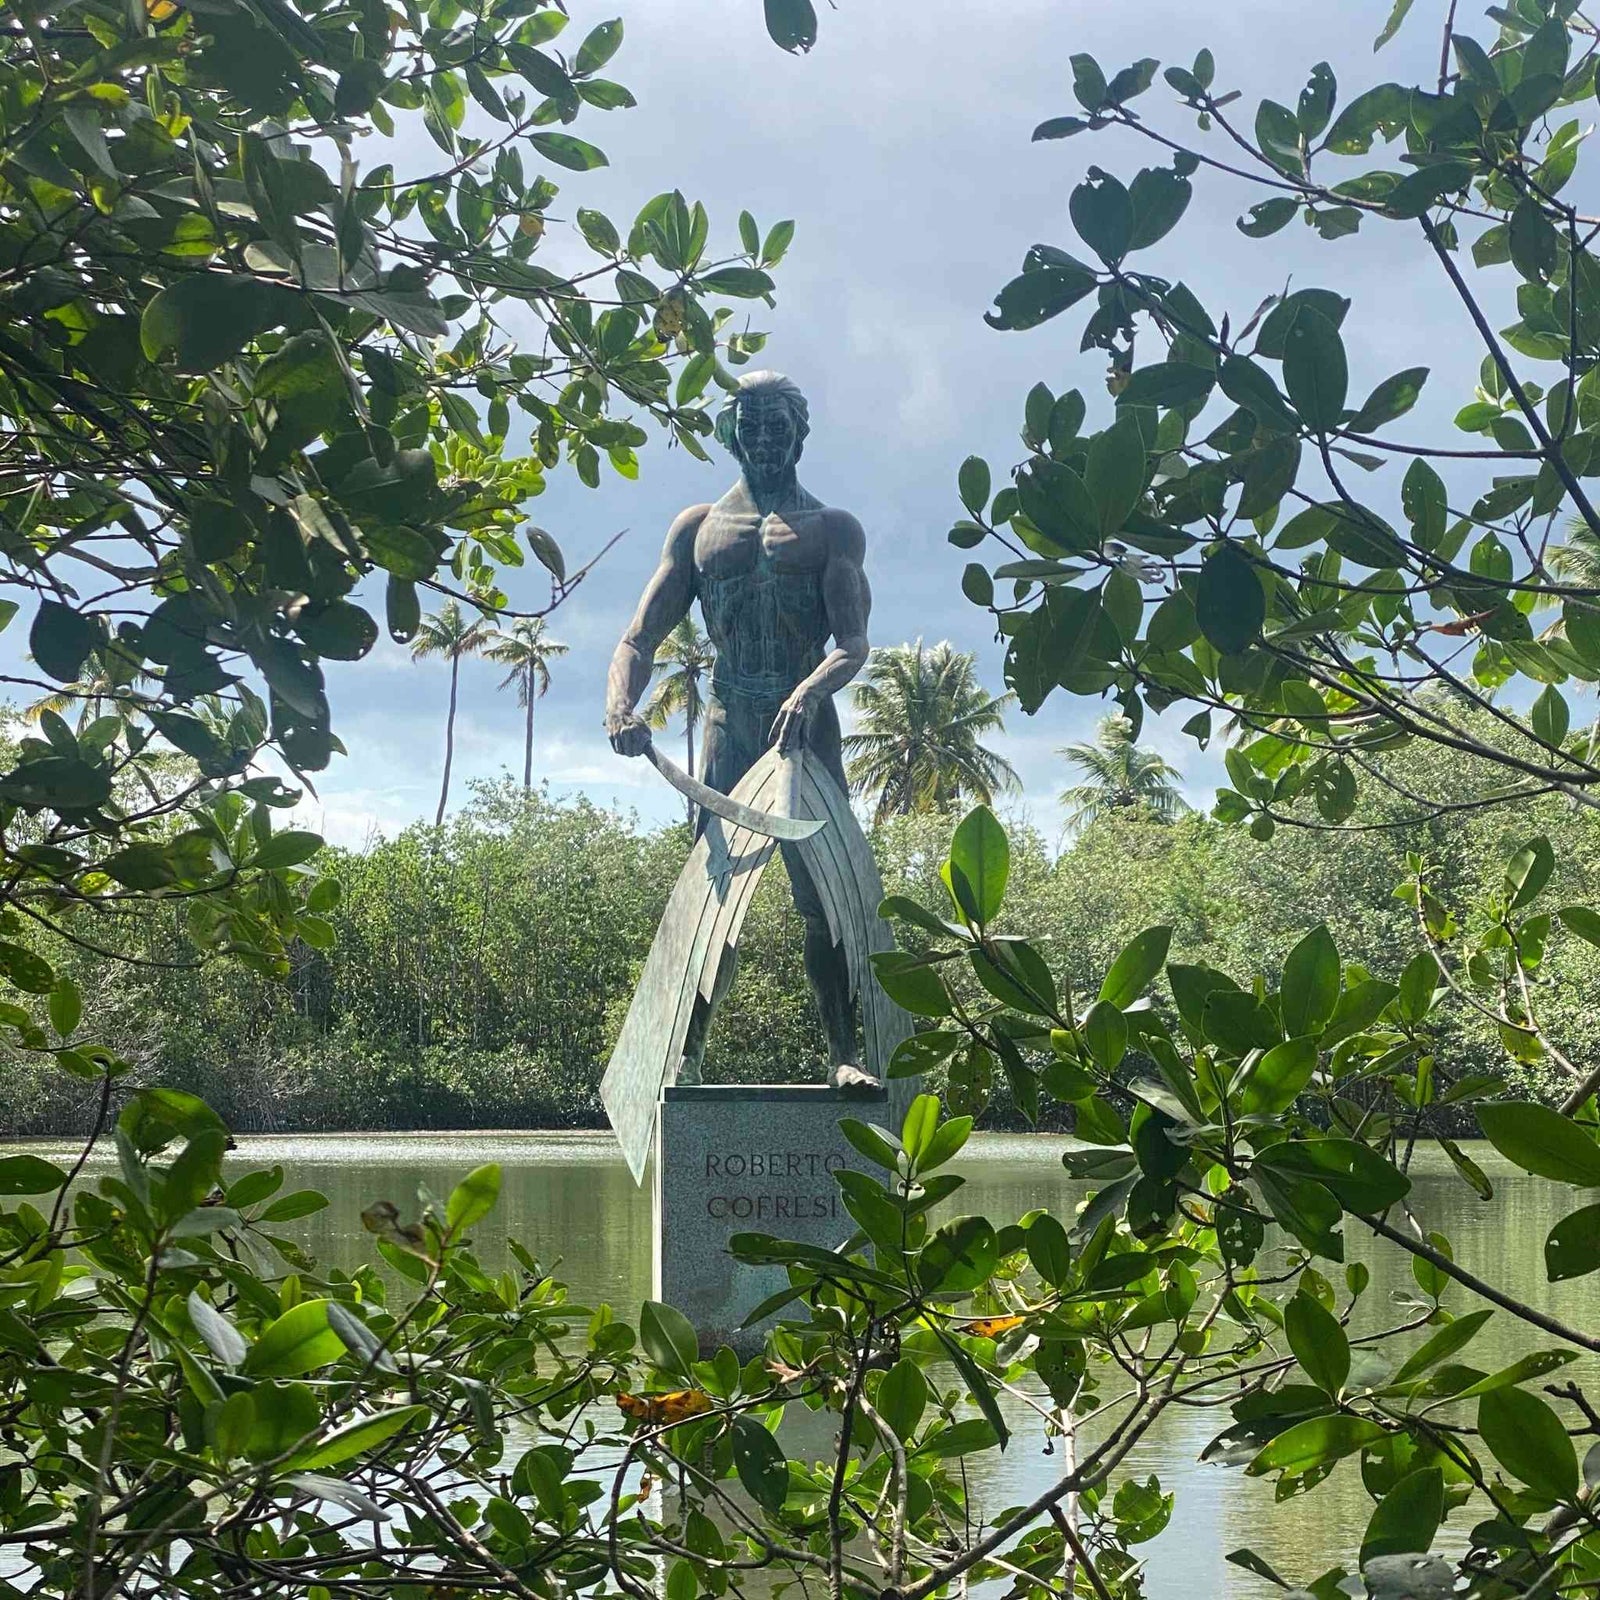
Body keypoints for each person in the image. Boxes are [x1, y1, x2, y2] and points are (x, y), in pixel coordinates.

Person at [603, 371, 877, 1088]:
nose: (762, 439)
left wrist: (810, 691)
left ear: (799, 434)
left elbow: (852, 643)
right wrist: (620, 709)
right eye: (748, 425)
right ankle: (686, 1055)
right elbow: (638, 638)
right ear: (730, 433)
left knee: (822, 896)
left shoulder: (832, 531)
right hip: (729, 721)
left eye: (775, 426)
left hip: (803, 729)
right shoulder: (697, 530)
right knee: (713, 893)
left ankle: (845, 1055)